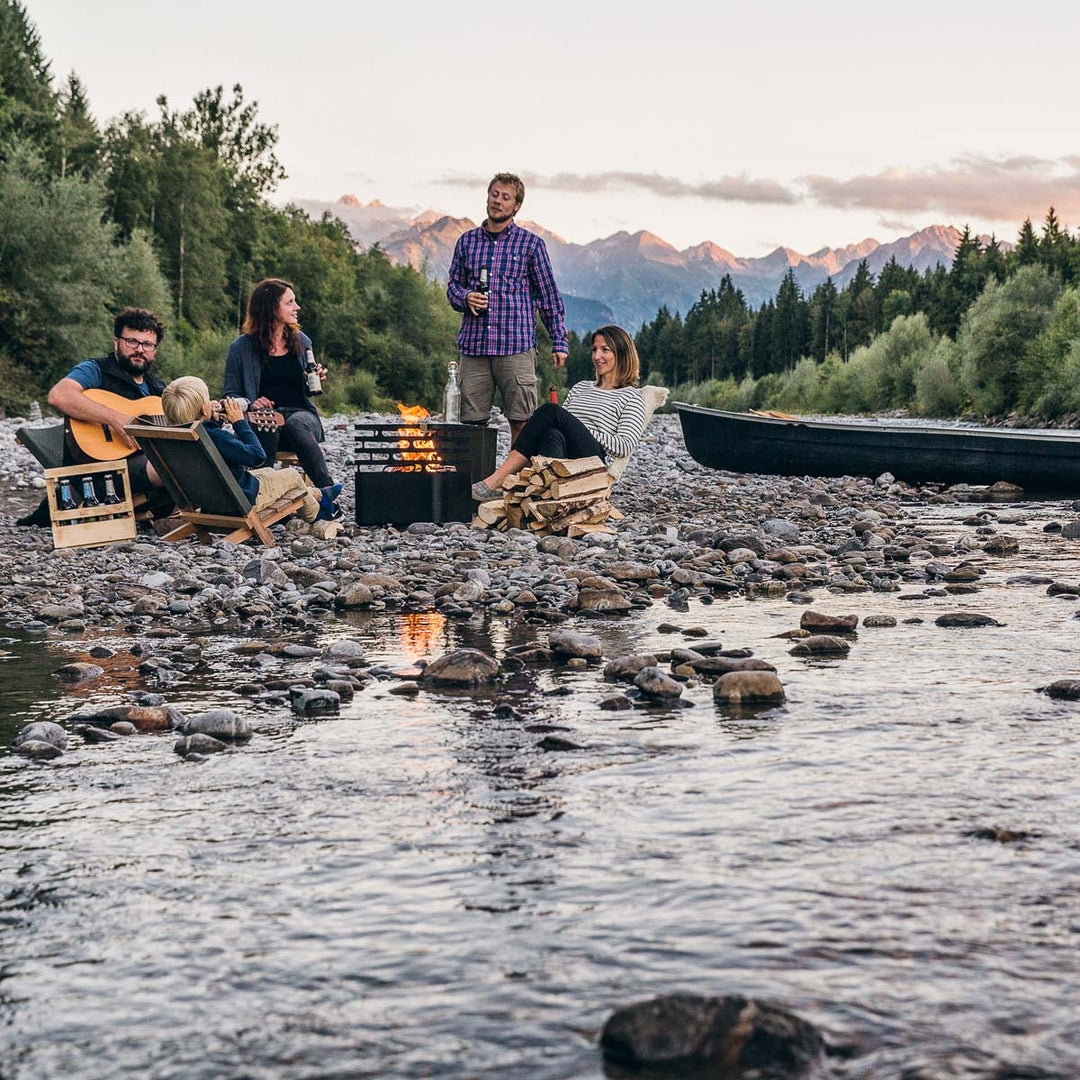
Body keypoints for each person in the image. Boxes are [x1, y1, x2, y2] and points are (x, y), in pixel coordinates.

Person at [17, 308, 170, 526]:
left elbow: (180, 423)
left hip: (139, 467)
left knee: (188, 456)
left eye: (147, 345)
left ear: (154, 350)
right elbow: (59, 395)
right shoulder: (95, 369)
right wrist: (116, 419)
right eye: (132, 341)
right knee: (169, 464)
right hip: (100, 474)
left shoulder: (158, 388)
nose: (139, 350)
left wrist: (207, 414)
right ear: (116, 342)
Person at [446, 172, 568, 442]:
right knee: (471, 425)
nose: (497, 201)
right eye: (494, 195)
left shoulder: (531, 245)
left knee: (522, 422)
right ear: (487, 197)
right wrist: (466, 297)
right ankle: (477, 484)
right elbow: (452, 287)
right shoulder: (466, 242)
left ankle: (516, 484)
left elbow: (549, 296)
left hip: (515, 346)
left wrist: (559, 341)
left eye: (505, 197)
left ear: (516, 206)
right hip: (474, 348)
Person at [471, 325, 647, 499]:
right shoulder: (580, 388)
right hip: (566, 457)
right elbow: (562, 428)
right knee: (551, 433)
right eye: (594, 350)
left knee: (551, 411)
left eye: (605, 350)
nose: (596, 356)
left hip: (593, 462)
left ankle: (498, 480)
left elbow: (624, 446)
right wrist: (571, 427)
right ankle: (550, 497)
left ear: (622, 354)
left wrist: (582, 430)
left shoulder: (630, 396)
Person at [160, 377, 342, 522]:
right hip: (242, 500)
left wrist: (214, 422)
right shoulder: (215, 437)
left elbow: (210, 435)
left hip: (210, 501)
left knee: (270, 472)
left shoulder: (176, 438)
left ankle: (318, 494)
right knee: (292, 476)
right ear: (204, 409)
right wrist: (239, 422)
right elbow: (257, 456)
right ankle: (318, 511)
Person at [222, 278, 336, 490]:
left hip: (300, 419)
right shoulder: (241, 347)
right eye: (290, 302)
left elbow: (306, 392)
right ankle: (265, 497)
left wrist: (313, 380)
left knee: (295, 423)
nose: (297, 307)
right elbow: (230, 395)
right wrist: (252, 402)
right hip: (263, 423)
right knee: (268, 423)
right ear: (271, 308)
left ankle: (326, 492)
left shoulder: (302, 341)